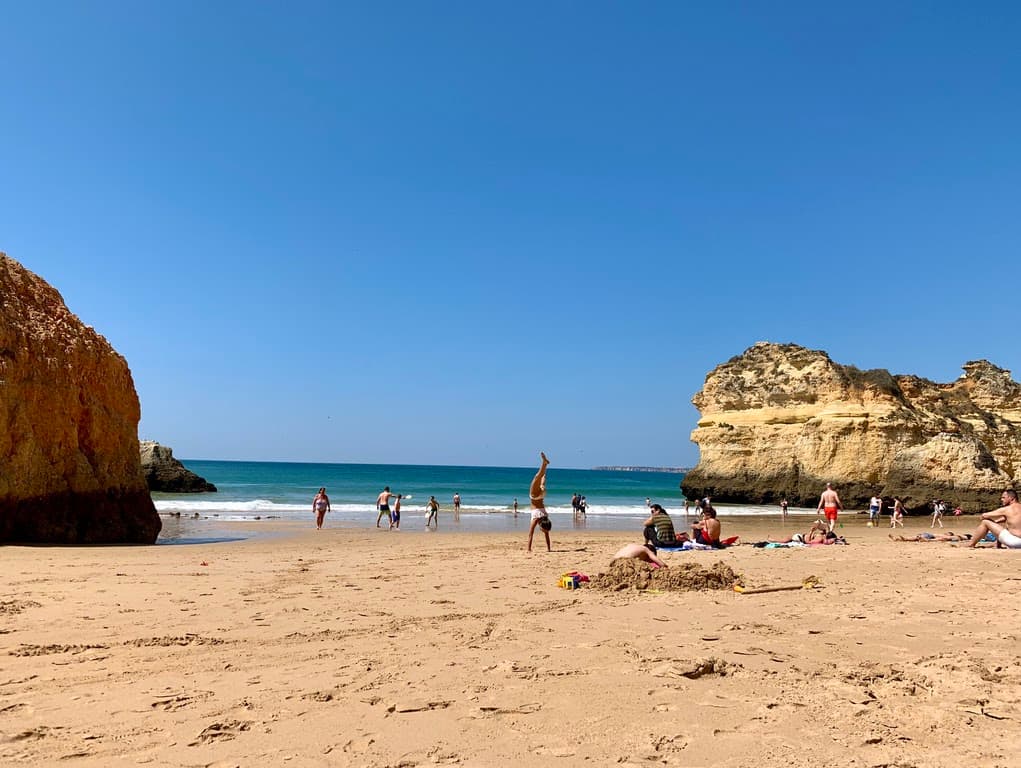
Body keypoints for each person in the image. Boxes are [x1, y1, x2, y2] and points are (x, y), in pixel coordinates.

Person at [526, 452, 552, 553]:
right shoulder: (537, 518)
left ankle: (545, 466)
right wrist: (528, 549)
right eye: (543, 529)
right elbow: (530, 534)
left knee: (541, 481)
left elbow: (544, 533)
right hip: (535, 496)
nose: (543, 531)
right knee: (537, 476)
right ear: (541, 526)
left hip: (541, 496)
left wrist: (549, 549)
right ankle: (544, 463)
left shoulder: (545, 518)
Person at [889, 531, 968, 542]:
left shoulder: (952, 536)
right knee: (916, 537)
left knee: (916, 538)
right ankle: (897, 539)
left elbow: (943, 538)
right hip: (929, 535)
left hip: (930, 536)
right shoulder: (947, 536)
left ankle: (904, 539)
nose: (946, 533)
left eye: (948, 533)